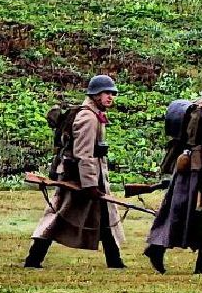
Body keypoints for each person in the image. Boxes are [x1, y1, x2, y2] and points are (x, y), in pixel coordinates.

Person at [24, 74, 126, 270]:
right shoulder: (88, 117)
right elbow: (84, 154)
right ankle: (33, 259)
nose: (110, 97)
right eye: (106, 93)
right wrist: (90, 185)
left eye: (112, 93)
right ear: (95, 95)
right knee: (58, 215)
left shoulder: (94, 114)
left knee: (104, 215)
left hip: (89, 176)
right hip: (78, 177)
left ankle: (115, 261)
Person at [143, 67, 202, 275]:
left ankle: (157, 248)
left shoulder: (197, 105)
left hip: (186, 167)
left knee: (177, 211)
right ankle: (201, 265)